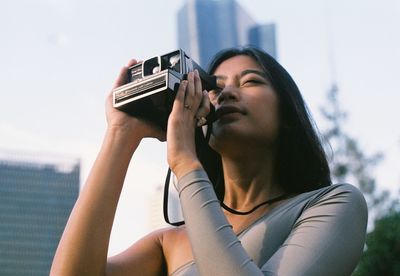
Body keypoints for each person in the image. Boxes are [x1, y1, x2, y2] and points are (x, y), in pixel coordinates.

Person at [50, 47, 368, 276]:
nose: (226, 92)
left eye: (250, 82)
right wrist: (121, 133)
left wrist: (186, 163)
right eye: (214, 86)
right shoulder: (169, 242)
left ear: (287, 114)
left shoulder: (332, 205)